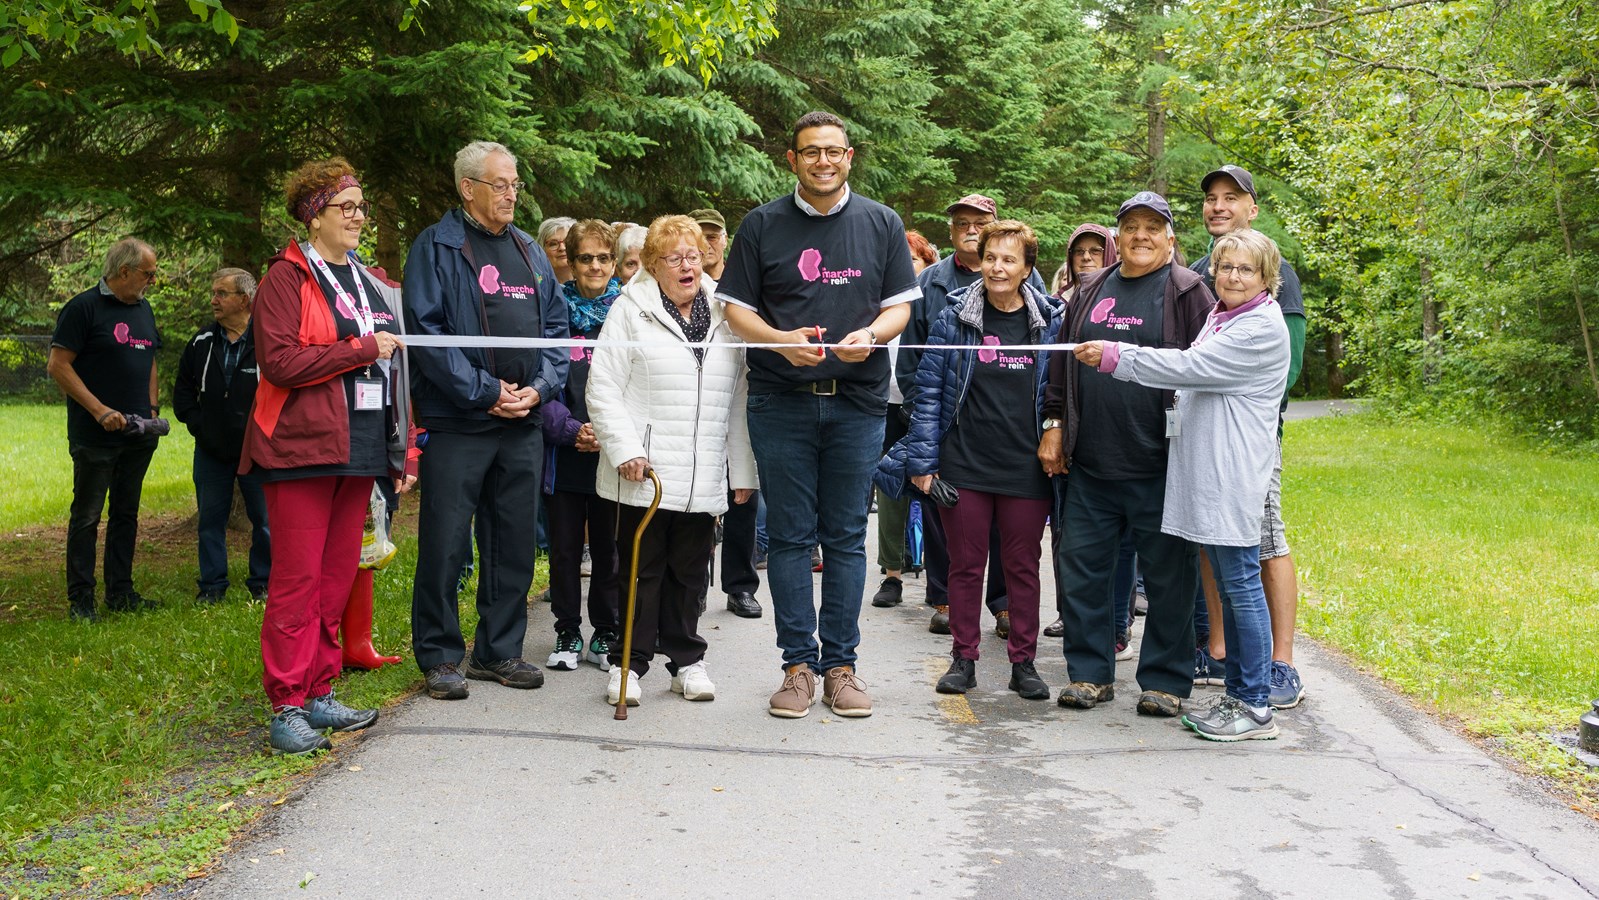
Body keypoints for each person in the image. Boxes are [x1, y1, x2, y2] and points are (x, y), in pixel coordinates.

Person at [718, 111, 918, 719]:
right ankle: (797, 666)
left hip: (857, 405)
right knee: (789, 538)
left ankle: (841, 667)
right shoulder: (761, 225)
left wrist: (871, 335)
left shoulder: (882, 223)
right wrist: (779, 340)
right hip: (780, 404)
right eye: (811, 152)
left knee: (846, 538)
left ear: (849, 156)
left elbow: (899, 310)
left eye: (833, 151)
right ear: (793, 159)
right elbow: (735, 311)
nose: (823, 162)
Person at [1071, 229, 1290, 740]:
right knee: (1233, 585)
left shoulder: (1257, 328)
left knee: (1240, 587)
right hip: (1209, 474)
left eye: (1246, 269)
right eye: (1226, 266)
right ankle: (1241, 695)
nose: (1233, 276)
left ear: (1266, 278)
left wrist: (1113, 355)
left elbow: (1190, 368)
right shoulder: (1224, 315)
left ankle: (1254, 704)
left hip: (1231, 476)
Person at [241, 158, 413, 754]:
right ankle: (286, 704)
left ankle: (319, 690)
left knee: (337, 578)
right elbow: (280, 362)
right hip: (300, 449)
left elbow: (394, 364)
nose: (360, 217)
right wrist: (359, 348)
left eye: (363, 207)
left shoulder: (365, 278)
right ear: (315, 218)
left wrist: (403, 447)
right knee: (296, 579)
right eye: (348, 207)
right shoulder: (284, 279)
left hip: (360, 446)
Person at [405, 141, 568, 701]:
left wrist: (539, 390)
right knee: (446, 542)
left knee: (514, 542)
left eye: (515, 184)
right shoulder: (436, 246)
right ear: (467, 188)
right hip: (460, 421)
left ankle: (498, 651)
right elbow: (426, 336)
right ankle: (441, 656)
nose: (511, 194)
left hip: (521, 422)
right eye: (500, 185)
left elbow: (556, 334)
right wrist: (482, 391)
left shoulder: (529, 249)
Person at [1041, 191, 1213, 718]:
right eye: (1131, 226)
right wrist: (1054, 423)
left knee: (1168, 577)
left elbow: (1208, 371)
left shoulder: (1189, 292)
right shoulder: (1091, 288)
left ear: (1170, 238)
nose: (1141, 235)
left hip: (1162, 463)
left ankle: (1165, 680)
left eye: (1152, 227)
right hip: (1092, 461)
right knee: (1082, 570)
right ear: (1119, 236)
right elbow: (1063, 363)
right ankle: (1090, 675)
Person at [587, 214, 757, 705]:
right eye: (672, 258)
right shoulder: (630, 309)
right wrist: (624, 449)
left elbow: (739, 398)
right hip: (646, 470)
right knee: (642, 569)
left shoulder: (727, 312)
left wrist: (741, 469)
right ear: (653, 266)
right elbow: (602, 387)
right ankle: (629, 665)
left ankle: (687, 661)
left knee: (690, 571)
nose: (686, 266)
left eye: (693, 256)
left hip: (703, 470)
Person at [905, 221, 1059, 700]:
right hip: (965, 465)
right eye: (991, 257)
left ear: (1027, 269)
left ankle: (1024, 663)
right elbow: (928, 392)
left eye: (1009, 259)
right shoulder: (955, 317)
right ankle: (963, 658)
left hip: (1025, 471)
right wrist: (923, 466)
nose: (997, 267)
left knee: (1022, 568)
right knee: (965, 567)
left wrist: (1055, 435)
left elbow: (1060, 393)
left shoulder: (1050, 321)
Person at [1189, 165, 1309, 710]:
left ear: (1252, 208)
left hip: (1250, 440)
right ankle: (1218, 649)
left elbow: (1288, 364)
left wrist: (1247, 415)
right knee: (1215, 544)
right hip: (1205, 438)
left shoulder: (1267, 265)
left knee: (1263, 542)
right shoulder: (1200, 270)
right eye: (1211, 199)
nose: (1219, 206)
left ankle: (1279, 666)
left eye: (1230, 198)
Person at [48, 238, 164, 622]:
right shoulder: (83, 308)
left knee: (126, 514)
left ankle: (121, 592)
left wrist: (151, 410)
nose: (152, 280)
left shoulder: (144, 308)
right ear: (124, 271)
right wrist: (99, 411)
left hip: (138, 434)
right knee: (87, 517)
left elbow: (149, 360)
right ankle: (81, 600)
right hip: (95, 434)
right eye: (148, 273)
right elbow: (58, 365)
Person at [542, 219, 623, 672]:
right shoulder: (552, 312)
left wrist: (607, 433)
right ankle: (567, 630)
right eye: (585, 258)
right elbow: (543, 380)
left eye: (603, 258)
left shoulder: (628, 312)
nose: (595, 266)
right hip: (564, 450)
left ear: (613, 262)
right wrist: (571, 430)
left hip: (611, 452)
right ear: (570, 263)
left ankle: (606, 631)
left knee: (610, 548)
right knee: (567, 548)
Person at [174, 267, 270, 605]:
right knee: (210, 522)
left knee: (266, 522)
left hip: (259, 450)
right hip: (211, 450)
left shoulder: (267, 340)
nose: (214, 300)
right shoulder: (202, 341)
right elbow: (183, 392)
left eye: (221, 293)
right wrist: (200, 426)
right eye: (214, 293)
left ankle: (263, 585)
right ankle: (212, 588)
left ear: (244, 300)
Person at [1043, 224, 1117, 640]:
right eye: (1079, 252)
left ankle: (1114, 621)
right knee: (1066, 530)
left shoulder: (1124, 295)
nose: (1086, 258)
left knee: (1115, 542)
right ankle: (1068, 611)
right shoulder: (1058, 305)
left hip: (1116, 435)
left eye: (1095, 250)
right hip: (1069, 433)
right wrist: (1054, 425)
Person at [870, 230, 940, 608]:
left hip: (926, 405)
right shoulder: (880, 300)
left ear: (928, 264)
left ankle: (937, 579)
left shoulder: (934, 301)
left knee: (932, 489)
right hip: (886, 406)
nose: (906, 268)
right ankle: (892, 574)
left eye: (913, 260)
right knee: (890, 488)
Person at [690, 208, 729, 280]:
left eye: (712, 237)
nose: (706, 245)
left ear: (725, 240)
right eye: (698, 239)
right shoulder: (679, 286)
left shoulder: (742, 282)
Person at [539, 216, 577, 285]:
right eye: (553, 244)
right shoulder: (537, 285)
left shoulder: (591, 281)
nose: (562, 248)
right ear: (542, 250)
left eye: (567, 242)